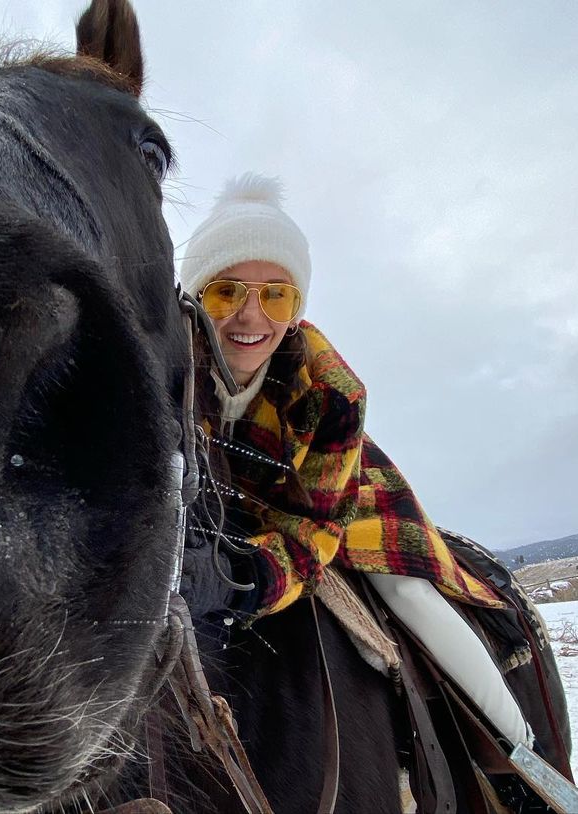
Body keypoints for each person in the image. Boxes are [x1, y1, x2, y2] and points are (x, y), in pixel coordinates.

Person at [178, 173, 532, 748]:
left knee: (408, 596)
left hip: (334, 498)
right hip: (222, 504)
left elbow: (316, 526)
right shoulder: (160, 367)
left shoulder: (331, 394)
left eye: (276, 294)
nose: (251, 316)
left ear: (296, 308)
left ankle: (520, 759)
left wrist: (248, 579)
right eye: (226, 291)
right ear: (194, 297)